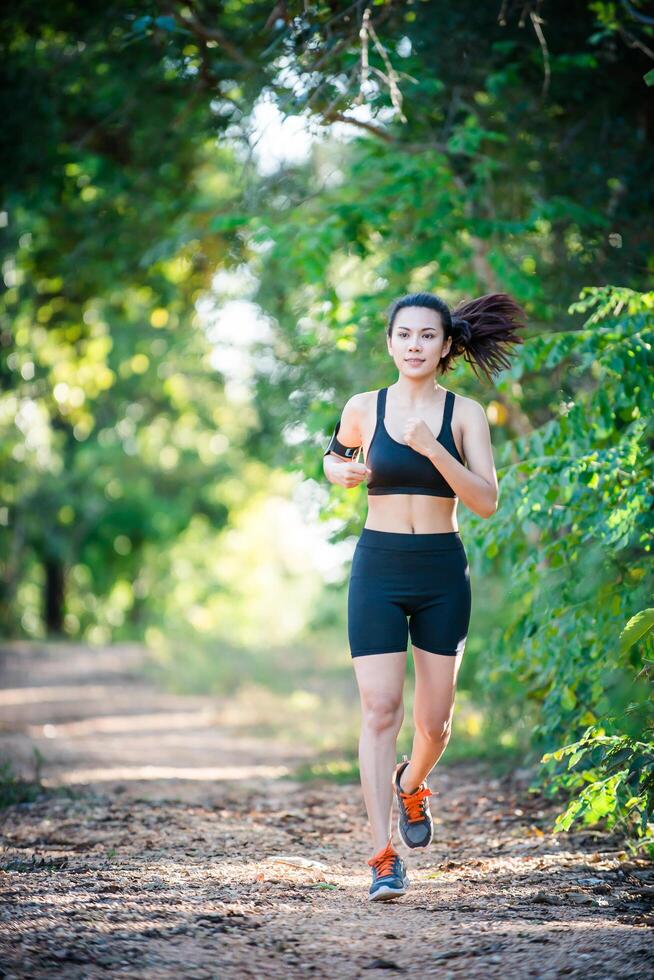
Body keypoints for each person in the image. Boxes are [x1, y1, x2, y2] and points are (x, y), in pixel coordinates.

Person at [323, 290, 527, 901]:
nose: (414, 346)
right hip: (377, 566)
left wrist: (431, 447)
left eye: (426, 337)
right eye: (404, 335)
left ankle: (413, 782)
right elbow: (333, 459)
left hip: (441, 570)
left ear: (445, 347)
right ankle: (382, 856)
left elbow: (487, 501)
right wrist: (341, 471)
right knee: (380, 709)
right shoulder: (364, 406)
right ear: (390, 342)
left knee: (435, 726)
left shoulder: (464, 415)